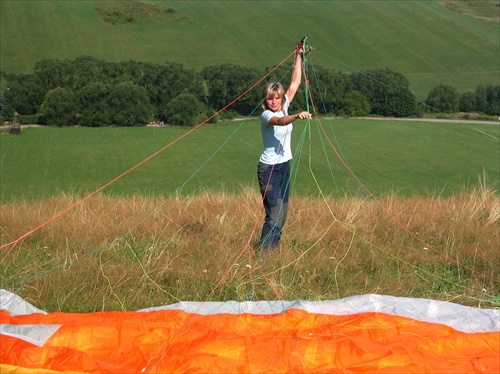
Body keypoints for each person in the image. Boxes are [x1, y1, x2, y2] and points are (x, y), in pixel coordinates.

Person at [257, 41, 312, 250]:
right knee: (274, 213)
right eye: (271, 98)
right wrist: (296, 116)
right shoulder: (266, 115)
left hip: (284, 166)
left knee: (282, 214)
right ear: (267, 100)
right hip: (269, 169)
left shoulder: (284, 104)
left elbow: (295, 82)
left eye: (277, 98)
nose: (275, 102)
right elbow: (280, 121)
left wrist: (298, 55)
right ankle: (264, 254)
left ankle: (273, 249)